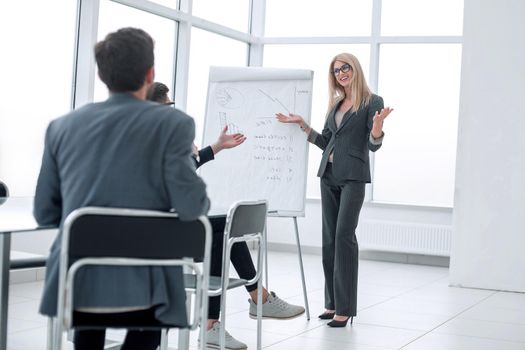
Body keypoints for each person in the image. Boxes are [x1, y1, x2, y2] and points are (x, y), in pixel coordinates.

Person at [34, 27, 210, 350]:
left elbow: (45, 213)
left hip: (78, 283)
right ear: (150, 73)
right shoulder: (173, 124)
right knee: (152, 294)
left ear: (102, 74)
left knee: (89, 292)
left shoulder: (60, 128)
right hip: (147, 289)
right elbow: (192, 206)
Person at [146, 82, 305, 350]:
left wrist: (214, 147)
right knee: (222, 228)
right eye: (166, 106)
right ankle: (255, 299)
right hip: (161, 232)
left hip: (171, 225)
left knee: (223, 230)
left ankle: (227, 316)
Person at [277, 53, 393, 328]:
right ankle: (331, 304)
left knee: (344, 237)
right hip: (327, 176)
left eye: (345, 68)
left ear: (355, 69)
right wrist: (303, 125)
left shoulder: (372, 101)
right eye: (336, 71)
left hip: (353, 177)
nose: (340, 73)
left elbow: (373, 145)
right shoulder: (336, 104)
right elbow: (327, 141)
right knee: (329, 240)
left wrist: (377, 128)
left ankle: (345, 308)